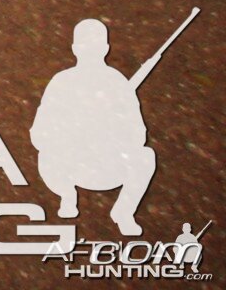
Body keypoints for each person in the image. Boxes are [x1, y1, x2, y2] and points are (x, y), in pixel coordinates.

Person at [32, 16, 158, 237]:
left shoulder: (118, 84)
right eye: (85, 45)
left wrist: (110, 129)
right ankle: (67, 196)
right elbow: (39, 134)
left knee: (146, 157)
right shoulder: (61, 82)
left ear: (105, 48)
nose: (90, 50)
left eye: (95, 45)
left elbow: (139, 134)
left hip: (108, 165)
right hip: (69, 166)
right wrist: (70, 134)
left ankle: (124, 212)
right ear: (75, 48)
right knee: (45, 155)